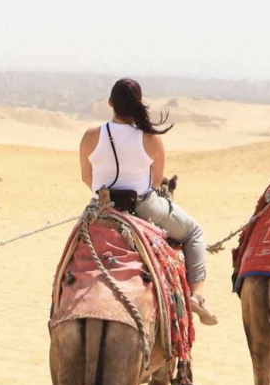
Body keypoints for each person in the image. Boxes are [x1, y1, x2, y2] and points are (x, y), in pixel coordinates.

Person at [78, 77, 218, 325]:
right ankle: (197, 295)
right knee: (194, 232)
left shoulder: (90, 136)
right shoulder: (151, 139)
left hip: (100, 207)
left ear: (110, 103)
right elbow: (155, 182)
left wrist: (109, 196)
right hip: (143, 206)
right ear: (138, 104)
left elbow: (86, 178)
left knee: (74, 247)